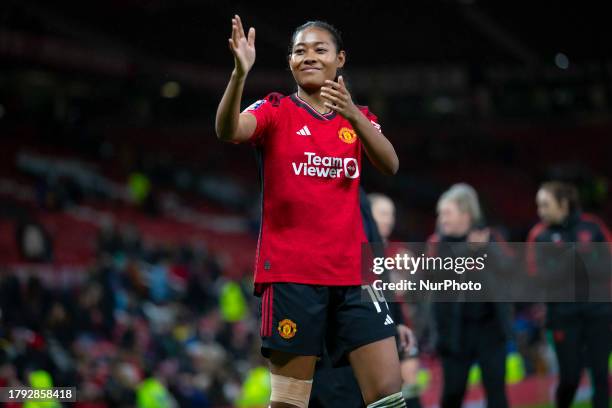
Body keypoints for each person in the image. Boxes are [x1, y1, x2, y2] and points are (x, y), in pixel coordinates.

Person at [215, 15, 404, 408]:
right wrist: (239, 75)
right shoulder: (275, 109)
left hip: (355, 274)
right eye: (300, 51)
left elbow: (390, 164)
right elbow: (228, 130)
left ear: (340, 60)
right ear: (289, 63)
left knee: (388, 391)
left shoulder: (360, 118)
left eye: (320, 49)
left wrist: (353, 115)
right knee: (290, 400)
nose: (309, 56)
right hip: (292, 275)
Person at [527, 181, 611, 408]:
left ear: (563, 204)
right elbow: (535, 275)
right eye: (539, 205)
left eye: (545, 205)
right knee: (570, 377)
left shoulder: (592, 227)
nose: (540, 211)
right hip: (563, 316)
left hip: (599, 312)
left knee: (601, 375)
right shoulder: (539, 235)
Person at [427, 183, 512, 408]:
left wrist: (485, 249)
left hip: (491, 329)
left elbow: (510, 269)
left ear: (465, 214)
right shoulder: (436, 244)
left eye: (446, 213)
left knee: (497, 393)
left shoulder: (491, 237)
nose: (441, 219)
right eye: (440, 213)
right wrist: (470, 250)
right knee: (452, 394)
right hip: (454, 332)